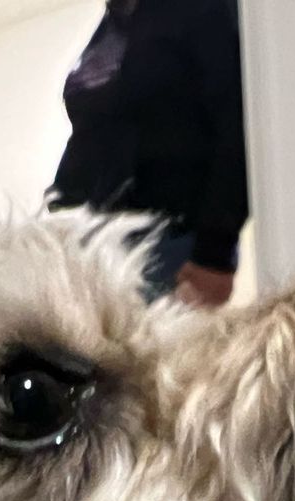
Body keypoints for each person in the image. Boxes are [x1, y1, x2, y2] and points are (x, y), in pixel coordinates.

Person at [50, 0, 248, 307]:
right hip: (93, 244)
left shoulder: (199, 10)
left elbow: (237, 123)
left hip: (168, 244)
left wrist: (215, 254)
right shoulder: (114, 25)